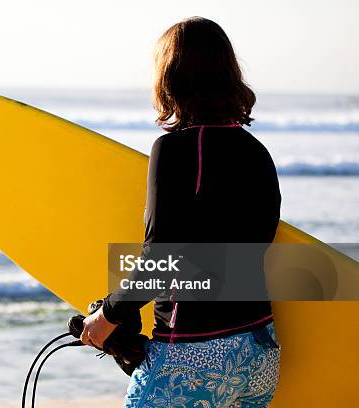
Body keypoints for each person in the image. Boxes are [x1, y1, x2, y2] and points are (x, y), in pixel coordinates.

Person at [80, 17, 282, 407]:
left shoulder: (174, 150)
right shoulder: (257, 152)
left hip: (193, 355)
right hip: (259, 352)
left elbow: (162, 256)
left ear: (170, 77)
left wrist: (107, 315)